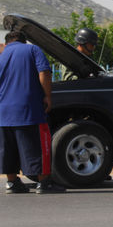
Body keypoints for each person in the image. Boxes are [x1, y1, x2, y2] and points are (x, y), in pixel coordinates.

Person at [0, 31, 65, 194]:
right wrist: (47, 96)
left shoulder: (2, 54)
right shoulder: (32, 49)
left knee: (8, 149)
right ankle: (44, 183)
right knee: (37, 147)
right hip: (29, 109)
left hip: (3, 112)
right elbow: (44, 72)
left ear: (7, 43)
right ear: (23, 41)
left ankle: (12, 182)